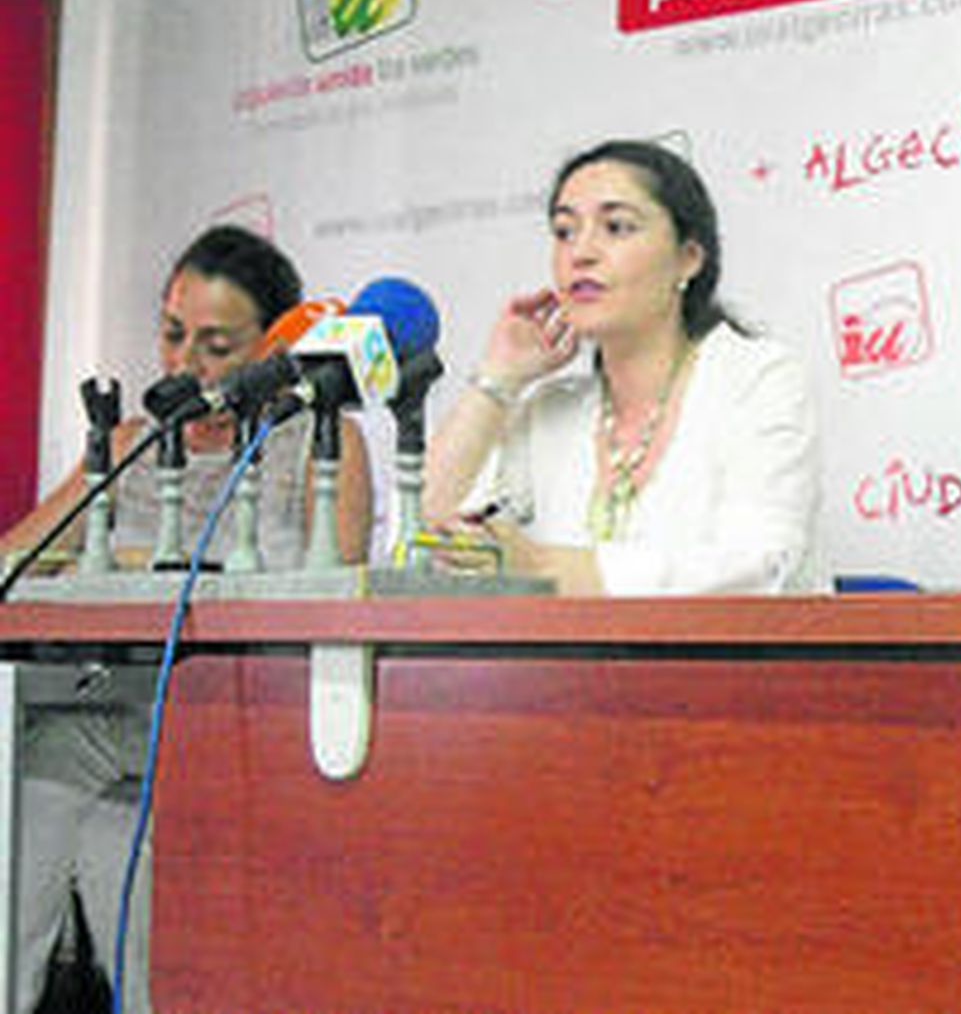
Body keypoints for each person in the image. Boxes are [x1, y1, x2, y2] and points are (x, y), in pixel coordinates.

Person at [0, 223, 374, 1014]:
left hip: (241, 720)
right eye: (172, 335)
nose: (182, 365)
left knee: (116, 846)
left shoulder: (321, 440)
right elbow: (15, 565)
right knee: (24, 804)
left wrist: (159, 573)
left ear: (273, 347)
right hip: (103, 719)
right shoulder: (132, 444)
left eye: (215, 345)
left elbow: (334, 596)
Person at [423, 139, 821, 595]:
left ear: (688, 258)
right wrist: (499, 377)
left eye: (615, 227)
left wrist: (540, 566)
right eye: (564, 232)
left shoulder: (758, 379)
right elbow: (431, 531)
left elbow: (760, 567)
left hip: (738, 665)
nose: (581, 253)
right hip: (567, 666)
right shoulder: (552, 409)